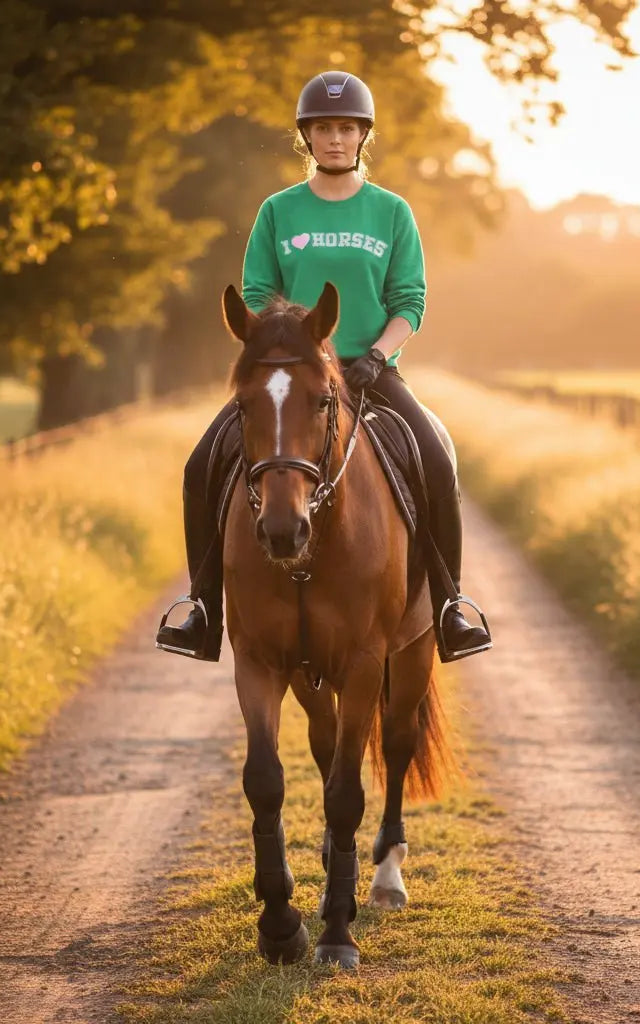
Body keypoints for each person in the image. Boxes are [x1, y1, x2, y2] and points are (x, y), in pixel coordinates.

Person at [156, 69, 492, 664]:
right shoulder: (278, 211)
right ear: (305, 137)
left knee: (437, 458)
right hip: (291, 372)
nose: (334, 138)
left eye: (345, 128)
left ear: (363, 135)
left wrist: (378, 355)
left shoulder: (391, 212)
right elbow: (258, 293)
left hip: (371, 369)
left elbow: (409, 302)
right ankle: (202, 608)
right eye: (322, 128)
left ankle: (450, 605)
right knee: (200, 463)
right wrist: (290, 349)